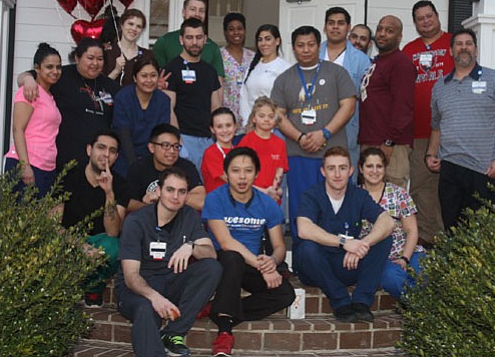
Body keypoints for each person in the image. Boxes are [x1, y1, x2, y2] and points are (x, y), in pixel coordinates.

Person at [116, 167, 221, 357]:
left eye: (181, 191)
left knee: (211, 267)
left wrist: (191, 247)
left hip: (170, 281)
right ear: (158, 191)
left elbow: (211, 253)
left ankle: (173, 333)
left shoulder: (189, 216)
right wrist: (154, 298)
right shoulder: (137, 221)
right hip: (137, 288)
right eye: (170, 190)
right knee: (145, 309)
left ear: (187, 194)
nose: (175, 196)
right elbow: (131, 277)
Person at [202, 148, 295, 357]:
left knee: (285, 294)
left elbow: (279, 246)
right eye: (235, 171)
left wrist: (272, 261)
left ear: (257, 173)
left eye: (248, 171)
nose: (242, 177)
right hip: (222, 264)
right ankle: (224, 332)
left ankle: (217, 308)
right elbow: (226, 243)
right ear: (226, 174)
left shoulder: (268, 204)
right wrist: (262, 266)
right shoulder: (215, 199)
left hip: (253, 264)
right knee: (233, 258)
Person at [426, 28, 495, 230]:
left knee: (480, 231)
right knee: (452, 228)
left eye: (468, 43)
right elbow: (436, 126)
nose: (464, 48)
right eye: (459, 44)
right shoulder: (440, 86)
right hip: (449, 167)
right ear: (451, 50)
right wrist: (431, 154)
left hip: (483, 169)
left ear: (475, 50)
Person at [271, 25, 356, 239]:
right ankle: (302, 263)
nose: (306, 49)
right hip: (299, 156)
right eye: (300, 45)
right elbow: (278, 115)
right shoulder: (284, 79)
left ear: (319, 46)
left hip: (333, 155)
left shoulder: (337, 73)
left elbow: (349, 105)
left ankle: (339, 258)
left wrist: (325, 133)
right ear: (293, 48)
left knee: (336, 210)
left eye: (311, 45)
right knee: (303, 211)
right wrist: (299, 137)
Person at [293, 147, 394, 322]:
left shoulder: (359, 195)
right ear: (323, 171)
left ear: (351, 171)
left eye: (342, 168)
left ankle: (361, 303)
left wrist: (364, 244)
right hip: (317, 268)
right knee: (306, 247)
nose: (337, 174)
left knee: (384, 239)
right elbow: (304, 228)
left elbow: (388, 222)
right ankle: (341, 302)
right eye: (331, 168)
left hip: (347, 264)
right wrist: (344, 242)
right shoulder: (312, 195)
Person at [53, 130, 130, 307]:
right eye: (101, 148)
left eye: (112, 151)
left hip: (100, 247)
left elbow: (112, 232)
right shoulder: (68, 177)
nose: (106, 154)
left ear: (116, 157)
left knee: (114, 247)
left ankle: (92, 290)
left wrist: (109, 193)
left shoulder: (120, 184)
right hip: (69, 242)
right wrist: (80, 246)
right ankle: (75, 288)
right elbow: (52, 225)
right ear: (89, 150)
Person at [19, 37, 120, 169]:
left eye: (100, 59)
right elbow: (26, 76)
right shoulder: (61, 76)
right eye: (90, 58)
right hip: (64, 159)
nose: (95, 63)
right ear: (77, 58)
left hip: (97, 163)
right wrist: (28, 80)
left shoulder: (110, 86)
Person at [402, 0, 454, 246]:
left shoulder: (454, 44)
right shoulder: (409, 50)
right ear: (415, 23)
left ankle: (449, 237)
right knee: (421, 186)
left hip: (452, 131)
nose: (426, 21)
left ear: (437, 16)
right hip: (419, 131)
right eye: (420, 18)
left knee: (449, 186)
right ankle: (426, 239)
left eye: (429, 16)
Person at [358, 148, 425, 300]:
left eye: (379, 166)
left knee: (427, 271)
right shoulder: (354, 197)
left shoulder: (399, 193)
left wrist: (405, 258)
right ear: (361, 168)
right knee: (391, 279)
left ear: (385, 169)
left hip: (408, 252)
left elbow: (412, 230)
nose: (374, 171)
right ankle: (421, 308)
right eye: (369, 166)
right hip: (381, 258)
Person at [358, 15, 415, 188]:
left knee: (391, 202)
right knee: (370, 205)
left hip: (391, 146)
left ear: (399, 37)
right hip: (370, 141)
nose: (382, 34)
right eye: (380, 29)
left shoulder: (401, 63)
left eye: (389, 31)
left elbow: (403, 107)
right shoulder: (377, 62)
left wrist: (390, 142)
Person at [162, 17, 221, 171]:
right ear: (181, 40)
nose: (194, 42)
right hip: (184, 139)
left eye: (198, 37)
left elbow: (216, 106)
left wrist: (218, 138)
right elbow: (169, 108)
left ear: (205, 39)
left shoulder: (210, 71)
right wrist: (178, 141)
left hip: (208, 140)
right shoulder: (171, 69)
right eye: (189, 37)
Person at [4, 43, 62, 197]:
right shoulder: (29, 91)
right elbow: (17, 129)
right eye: (49, 67)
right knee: (22, 218)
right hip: (28, 164)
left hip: (46, 167)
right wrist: (24, 166)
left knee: (39, 219)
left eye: (58, 67)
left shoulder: (49, 96)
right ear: (37, 68)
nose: (55, 71)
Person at [319, 7, 371, 176]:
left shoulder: (361, 60)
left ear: (348, 28)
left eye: (340, 23)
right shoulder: (312, 53)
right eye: (331, 23)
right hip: (314, 132)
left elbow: (366, 101)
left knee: (345, 184)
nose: (335, 27)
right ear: (325, 27)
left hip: (347, 133)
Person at [112, 58, 171, 177]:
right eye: (144, 76)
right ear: (135, 78)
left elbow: (161, 135)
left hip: (153, 158)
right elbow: (124, 136)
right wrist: (136, 166)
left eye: (153, 75)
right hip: (124, 158)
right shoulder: (123, 98)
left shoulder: (163, 100)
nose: (149, 80)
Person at [127, 123, 206, 212]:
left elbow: (201, 201)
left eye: (176, 146)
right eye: (166, 145)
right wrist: (154, 209)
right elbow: (128, 203)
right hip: (149, 220)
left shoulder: (186, 166)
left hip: (180, 220)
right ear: (151, 147)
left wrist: (164, 196)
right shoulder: (138, 167)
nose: (172, 151)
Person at [152, 0, 225, 85]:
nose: (197, 14)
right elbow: (154, 77)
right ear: (183, 12)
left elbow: (219, 84)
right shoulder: (165, 42)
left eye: (201, 10)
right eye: (193, 9)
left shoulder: (213, 47)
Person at [238, 24, 290, 130]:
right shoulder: (252, 67)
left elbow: (288, 102)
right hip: (252, 127)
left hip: (275, 128)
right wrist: (248, 123)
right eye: (260, 40)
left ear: (277, 41)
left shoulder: (285, 68)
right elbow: (244, 96)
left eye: (268, 39)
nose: (263, 43)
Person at [238, 96, 287, 202]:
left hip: (272, 197)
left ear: (276, 119)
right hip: (250, 196)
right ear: (254, 118)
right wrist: (263, 191)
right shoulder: (246, 141)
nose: (266, 119)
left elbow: (280, 169)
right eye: (262, 116)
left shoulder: (280, 143)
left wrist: (274, 189)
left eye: (271, 116)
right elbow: (240, 172)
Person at [220, 12, 255, 135]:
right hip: (227, 119)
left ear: (245, 31)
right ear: (225, 32)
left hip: (250, 119)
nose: (236, 33)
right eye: (231, 29)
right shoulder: (219, 56)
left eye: (240, 29)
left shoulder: (253, 57)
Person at [103, 8, 157, 86]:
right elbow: (100, 88)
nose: (134, 29)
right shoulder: (107, 52)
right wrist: (116, 70)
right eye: (130, 24)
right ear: (122, 25)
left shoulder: (147, 55)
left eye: (138, 26)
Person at [202, 107, 237, 193]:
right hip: (218, 203)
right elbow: (230, 180)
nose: (225, 130)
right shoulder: (211, 152)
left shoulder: (238, 151)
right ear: (212, 129)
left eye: (228, 125)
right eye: (219, 127)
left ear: (235, 126)